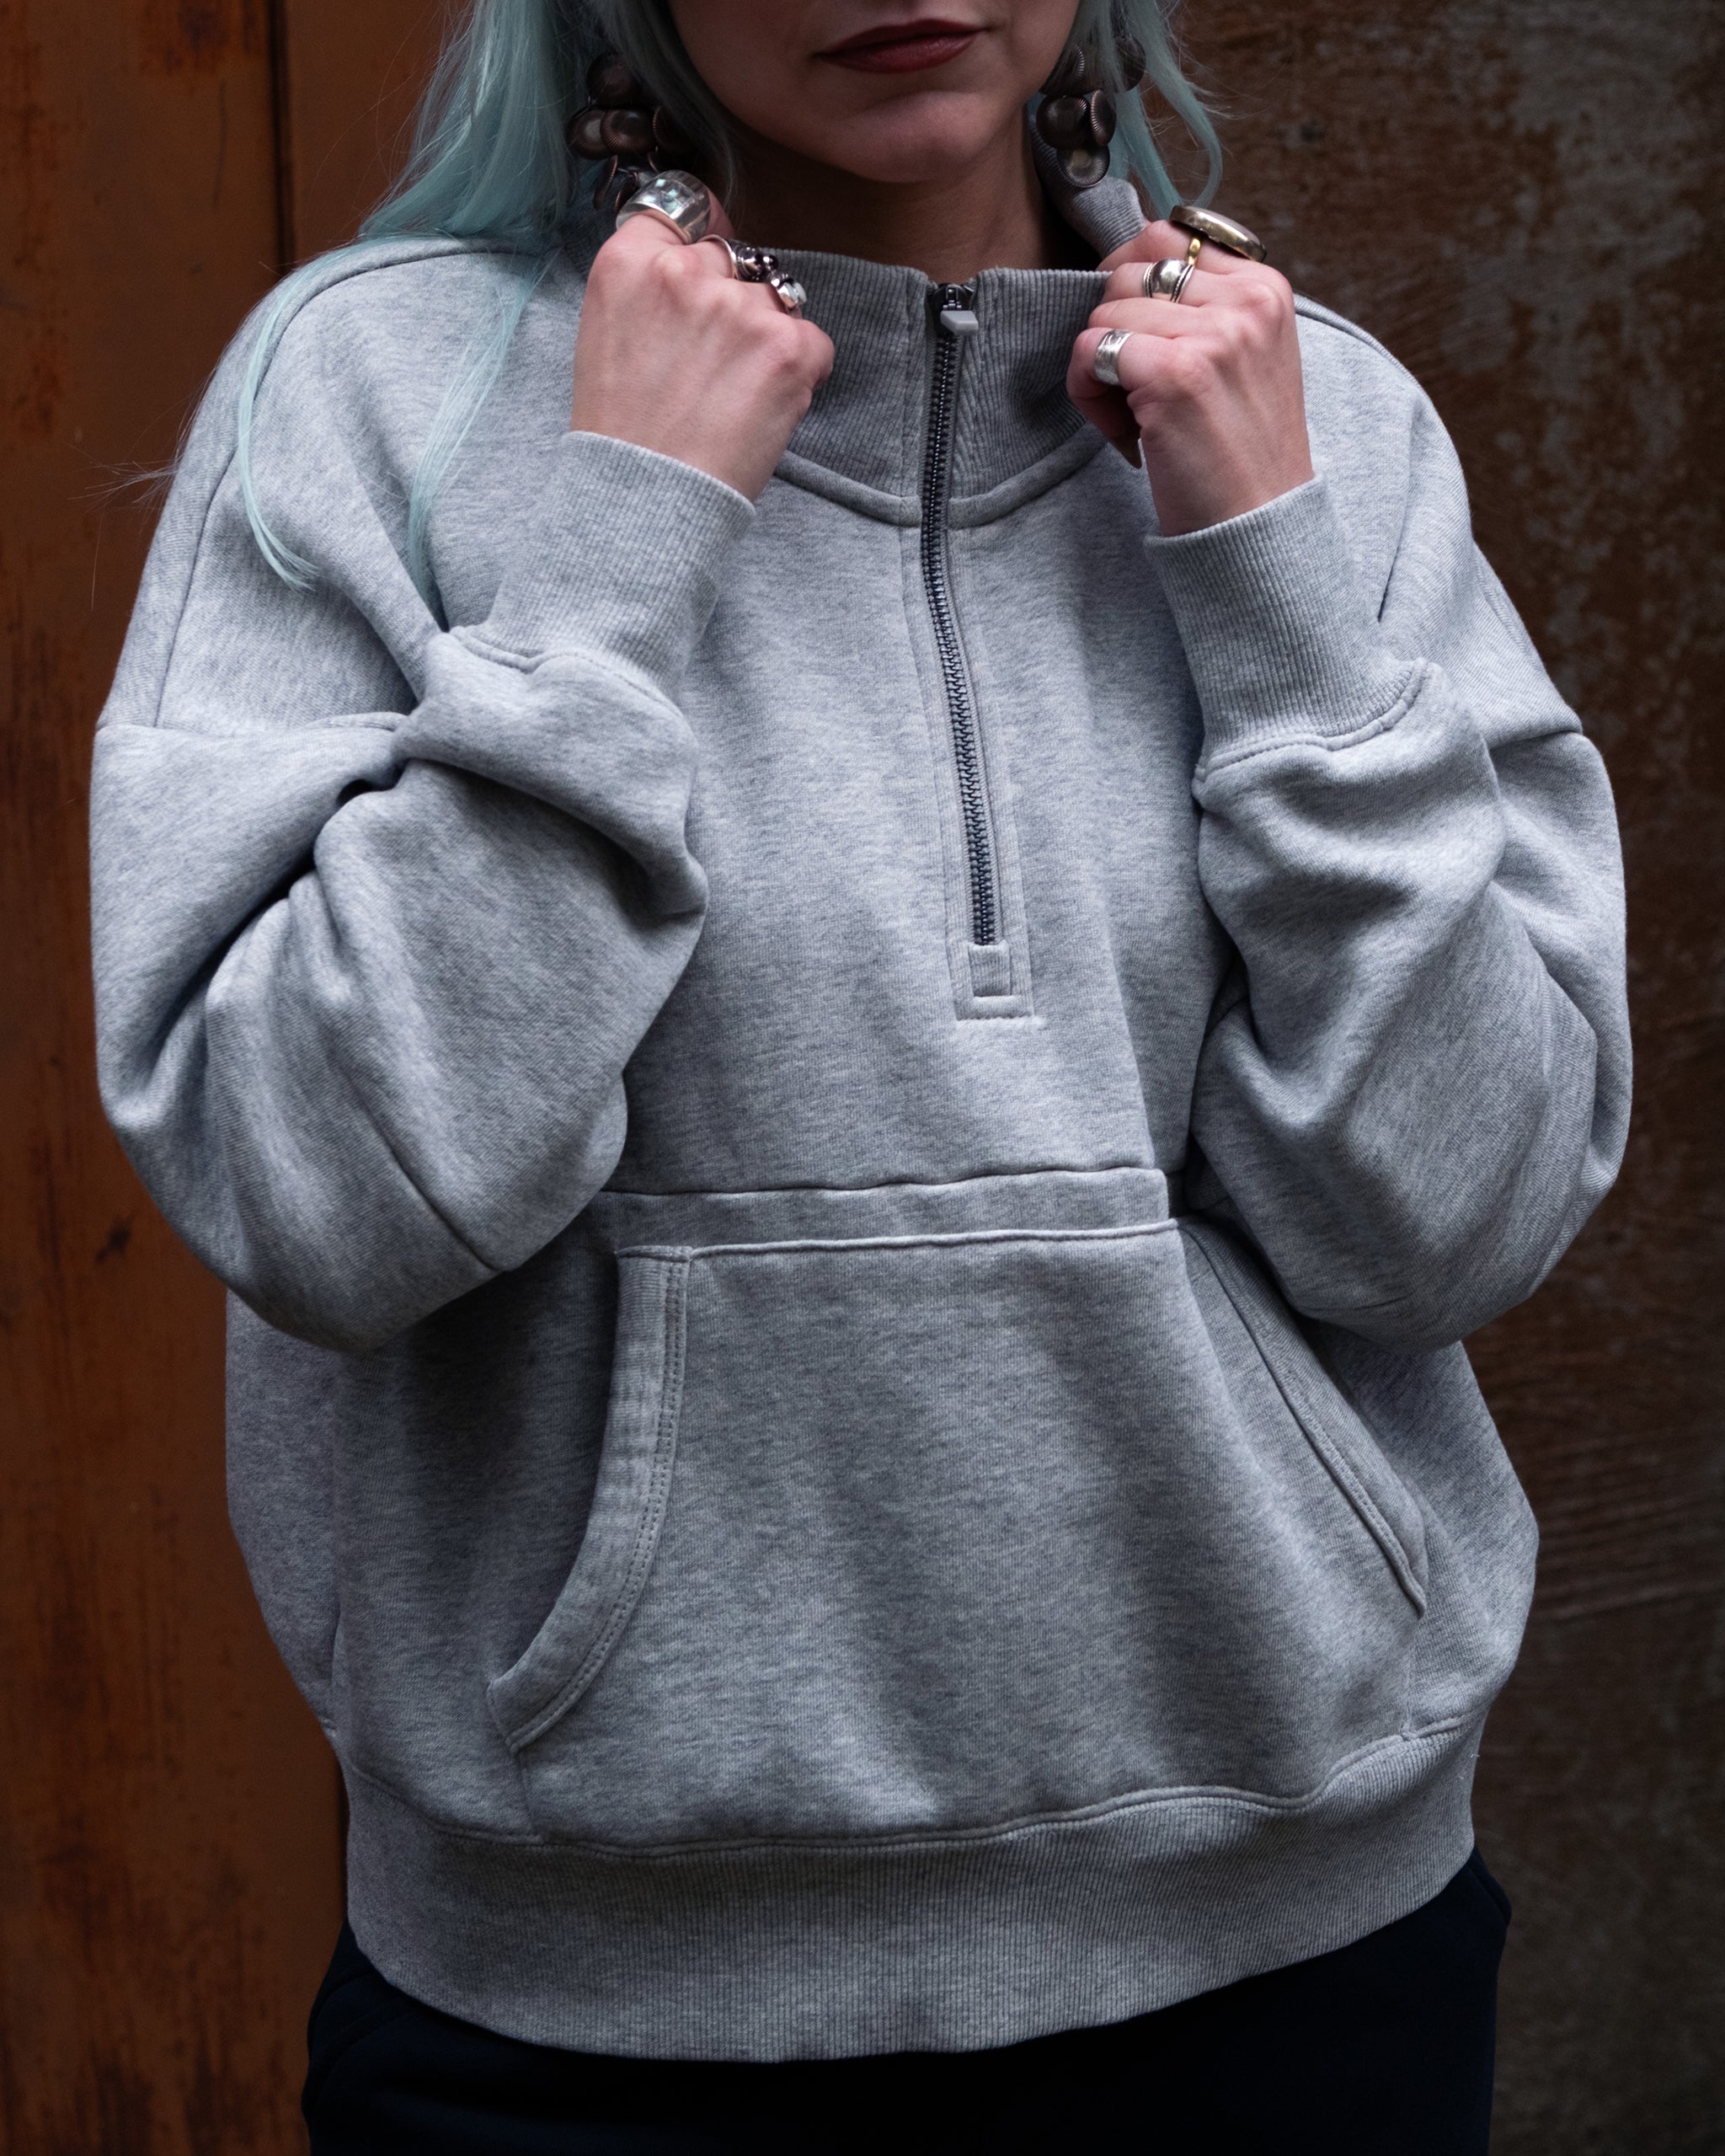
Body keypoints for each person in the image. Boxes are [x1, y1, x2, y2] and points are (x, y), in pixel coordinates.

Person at [89, 1, 1629, 2148]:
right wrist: (615, 553)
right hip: (589, 2029)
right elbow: (310, 1189)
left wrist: (1269, 589)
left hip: (1299, 1967)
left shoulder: (1318, 428)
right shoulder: (376, 399)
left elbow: (1458, 1209)